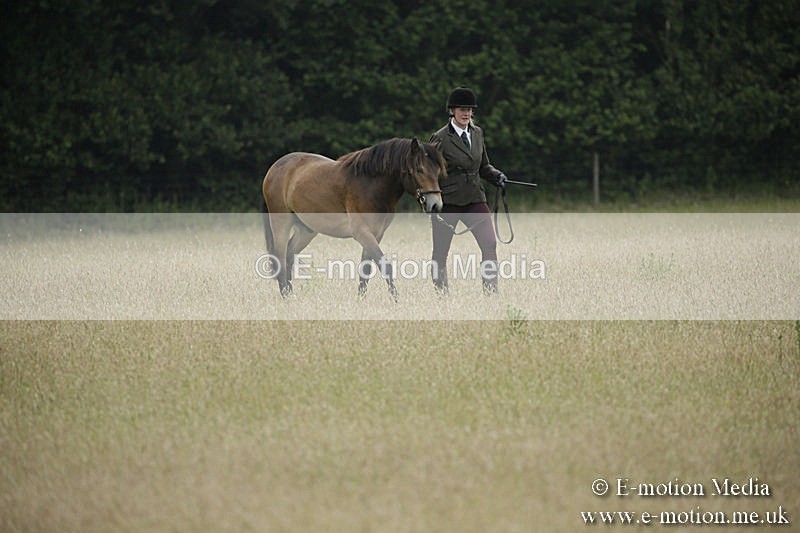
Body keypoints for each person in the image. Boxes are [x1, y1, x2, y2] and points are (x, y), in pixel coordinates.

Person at [429, 86, 507, 295]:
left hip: (475, 199)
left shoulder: (477, 133)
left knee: (489, 244)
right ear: (452, 111)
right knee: (440, 253)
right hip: (448, 203)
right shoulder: (440, 138)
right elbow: (429, 173)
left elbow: (483, 166)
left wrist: (497, 176)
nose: (466, 113)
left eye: (469, 109)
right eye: (462, 109)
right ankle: (442, 296)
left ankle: (491, 294)